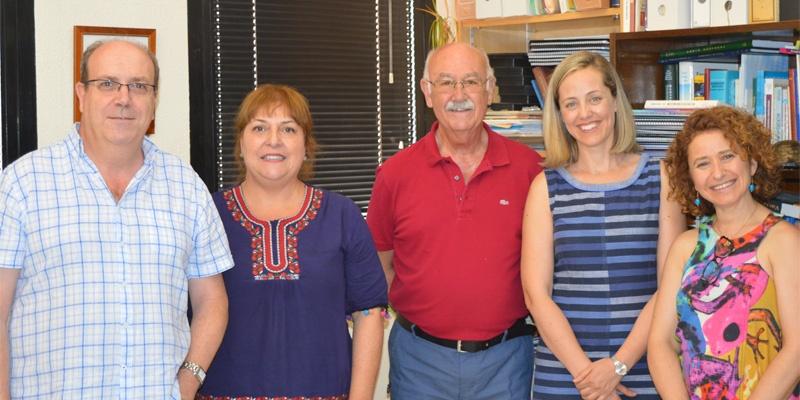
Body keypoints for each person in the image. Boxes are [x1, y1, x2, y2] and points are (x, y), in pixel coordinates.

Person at [0, 40, 233, 399]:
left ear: (154, 100)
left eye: (139, 86)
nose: (124, 98)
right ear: (81, 95)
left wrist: (187, 383)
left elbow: (211, 301)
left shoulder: (186, 185)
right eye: (107, 83)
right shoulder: (23, 183)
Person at [367, 42, 544, 399]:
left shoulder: (530, 169)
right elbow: (381, 266)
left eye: (471, 82)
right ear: (428, 92)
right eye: (446, 82)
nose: (458, 95)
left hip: (507, 360)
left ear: (490, 90)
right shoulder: (394, 174)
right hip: (420, 361)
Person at [196, 84, 388, 400]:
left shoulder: (342, 215)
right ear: (241, 144)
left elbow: (368, 314)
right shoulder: (206, 214)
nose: (274, 140)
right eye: (259, 128)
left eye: (288, 128)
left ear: (306, 145)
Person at [521, 51, 685, 400]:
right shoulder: (545, 188)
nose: (585, 114)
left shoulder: (661, 179)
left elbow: (668, 288)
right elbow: (537, 295)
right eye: (571, 104)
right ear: (560, 115)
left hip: (645, 370)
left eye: (594, 98)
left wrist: (617, 367)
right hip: (567, 374)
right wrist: (588, 376)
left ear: (614, 101)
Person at [650, 106, 800, 399]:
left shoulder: (784, 241)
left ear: (753, 162)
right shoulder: (685, 247)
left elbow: (797, 349)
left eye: (728, 156)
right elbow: (659, 343)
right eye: (703, 163)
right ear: (690, 177)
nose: (718, 173)